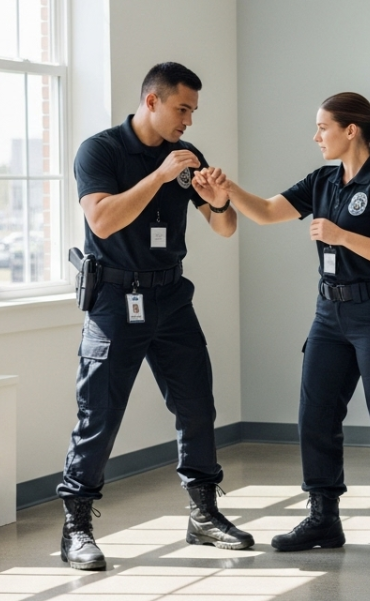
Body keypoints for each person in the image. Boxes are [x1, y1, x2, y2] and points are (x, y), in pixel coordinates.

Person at [212, 93, 370, 565]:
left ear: (351, 130)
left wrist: (342, 237)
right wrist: (227, 189)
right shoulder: (323, 180)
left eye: (323, 127)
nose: (316, 136)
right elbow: (268, 211)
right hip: (329, 315)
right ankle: (324, 517)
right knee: (315, 415)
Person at [58, 62, 253, 571]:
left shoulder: (187, 156)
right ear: (151, 101)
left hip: (170, 297)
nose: (188, 120)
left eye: (192, 111)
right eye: (181, 108)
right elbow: (101, 220)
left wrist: (218, 201)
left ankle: (204, 515)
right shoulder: (99, 150)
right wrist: (159, 176)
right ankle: (76, 527)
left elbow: (225, 228)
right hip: (115, 299)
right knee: (99, 413)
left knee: (197, 406)